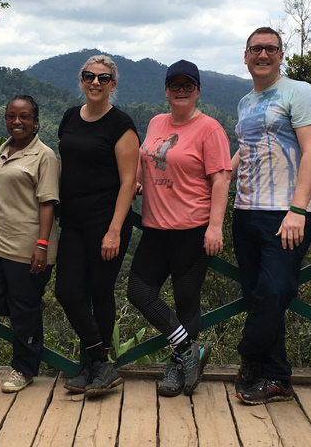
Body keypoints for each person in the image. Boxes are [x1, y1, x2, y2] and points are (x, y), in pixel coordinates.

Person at [231, 27, 311, 405]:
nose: (263, 54)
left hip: (285, 212)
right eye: (256, 49)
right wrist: (217, 179)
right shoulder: (244, 102)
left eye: (271, 49)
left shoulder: (299, 92)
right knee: (258, 296)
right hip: (245, 210)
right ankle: (277, 378)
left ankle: (249, 356)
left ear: (281, 55)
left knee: (274, 291)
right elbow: (244, 150)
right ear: (246, 55)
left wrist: (298, 210)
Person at [127, 60, 231, 397]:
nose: (181, 90)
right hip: (156, 227)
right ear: (167, 90)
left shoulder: (210, 128)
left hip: (192, 229)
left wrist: (215, 227)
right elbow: (147, 159)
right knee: (139, 293)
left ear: (198, 91)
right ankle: (191, 351)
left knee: (187, 300)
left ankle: (176, 364)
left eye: (188, 85)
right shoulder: (157, 122)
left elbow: (220, 178)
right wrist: (138, 184)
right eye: (175, 85)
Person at [55, 54, 139, 398]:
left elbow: (128, 181)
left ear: (112, 85)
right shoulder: (70, 117)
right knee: (67, 291)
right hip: (73, 221)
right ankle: (99, 362)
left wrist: (115, 229)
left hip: (107, 222)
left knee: (101, 292)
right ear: (81, 80)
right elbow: (64, 165)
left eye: (103, 78)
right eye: (89, 76)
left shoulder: (121, 125)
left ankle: (95, 367)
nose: (95, 82)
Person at [0, 95, 60, 393]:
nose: (16, 122)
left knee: (23, 307)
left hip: (27, 243)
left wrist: (42, 244)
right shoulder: (4, 149)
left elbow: (48, 202)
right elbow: (6, 180)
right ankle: (29, 309)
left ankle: (24, 368)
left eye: (24, 117)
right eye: (11, 116)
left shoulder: (44, 156)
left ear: (36, 121)